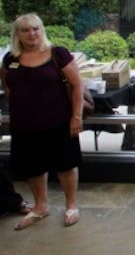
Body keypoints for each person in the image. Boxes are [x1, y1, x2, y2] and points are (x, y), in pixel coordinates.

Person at [1, 13, 83, 229]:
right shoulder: (11, 59)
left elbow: (77, 86)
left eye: (35, 29)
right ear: (17, 34)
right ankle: (40, 206)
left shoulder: (58, 54)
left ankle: (71, 205)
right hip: (23, 125)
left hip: (58, 121)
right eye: (26, 30)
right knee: (32, 167)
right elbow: (8, 86)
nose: (32, 34)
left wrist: (76, 116)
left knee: (65, 165)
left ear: (42, 30)